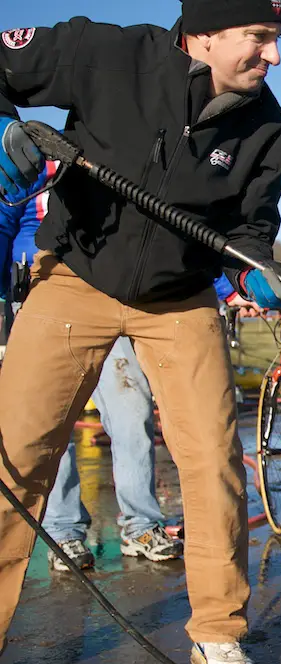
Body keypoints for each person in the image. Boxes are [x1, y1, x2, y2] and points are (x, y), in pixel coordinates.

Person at [0, 2, 281, 664]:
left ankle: (218, 633)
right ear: (203, 32)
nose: (274, 56)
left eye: (278, 39)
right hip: (75, 276)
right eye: (259, 37)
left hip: (179, 297)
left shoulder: (270, 129)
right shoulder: (104, 54)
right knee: (17, 453)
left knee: (214, 461)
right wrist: (3, 131)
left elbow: (248, 234)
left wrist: (257, 275)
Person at [0, 164, 183, 573]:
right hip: (40, 298)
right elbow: (2, 222)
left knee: (132, 411)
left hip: (106, 295)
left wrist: (227, 288)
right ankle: (64, 531)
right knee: (51, 423)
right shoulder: (32, 169)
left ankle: (142, 526)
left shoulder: (109, 164)